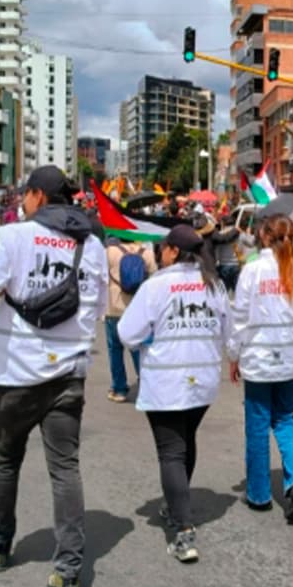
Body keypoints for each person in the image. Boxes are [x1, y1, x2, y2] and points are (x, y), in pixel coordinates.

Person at [0, 165, 109, 587]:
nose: (23, 202)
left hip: (15, 375)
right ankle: (68, 572)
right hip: (68, 375)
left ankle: (0, 544)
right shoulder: (94, 246)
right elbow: (98, 308)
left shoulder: (13, 237)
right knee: (65, 469)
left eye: (26, 194)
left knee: (6, 460)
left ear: (39, 197)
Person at [117, 225, 227, 564]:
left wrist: (151, 336)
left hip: (167, 380)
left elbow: (126, 333)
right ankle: (177, 507)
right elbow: (227, 331)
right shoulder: (215, 284)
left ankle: (183, 530)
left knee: (171, 451)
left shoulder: (156, 287)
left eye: (162, 248)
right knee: (185, 440)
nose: (159, 253)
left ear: (174, 252)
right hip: (204, 380)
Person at [227, 214, 293, 523]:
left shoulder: (252, 271)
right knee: (286, 420)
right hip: (290, 359)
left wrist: (233, 355)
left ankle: (258, 493)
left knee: (257, 425)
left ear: (265, 237)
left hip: (257, 360)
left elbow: (238, 317)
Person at [104, 237, 158, 402]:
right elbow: (155, 280)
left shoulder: (109, 252)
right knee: (137, 348)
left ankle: (119, 389)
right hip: (137, 309)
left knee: (115, 350)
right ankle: (146, 382)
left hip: (115, 307)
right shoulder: (147, 253)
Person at [210, 214, 243, 292]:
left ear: (223, 223)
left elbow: (217, 252)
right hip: (236, 265)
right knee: (238, 291)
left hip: (224, 265)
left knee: (224, 291)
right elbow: (249, 243)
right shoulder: (239, 233)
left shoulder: (220, 234)